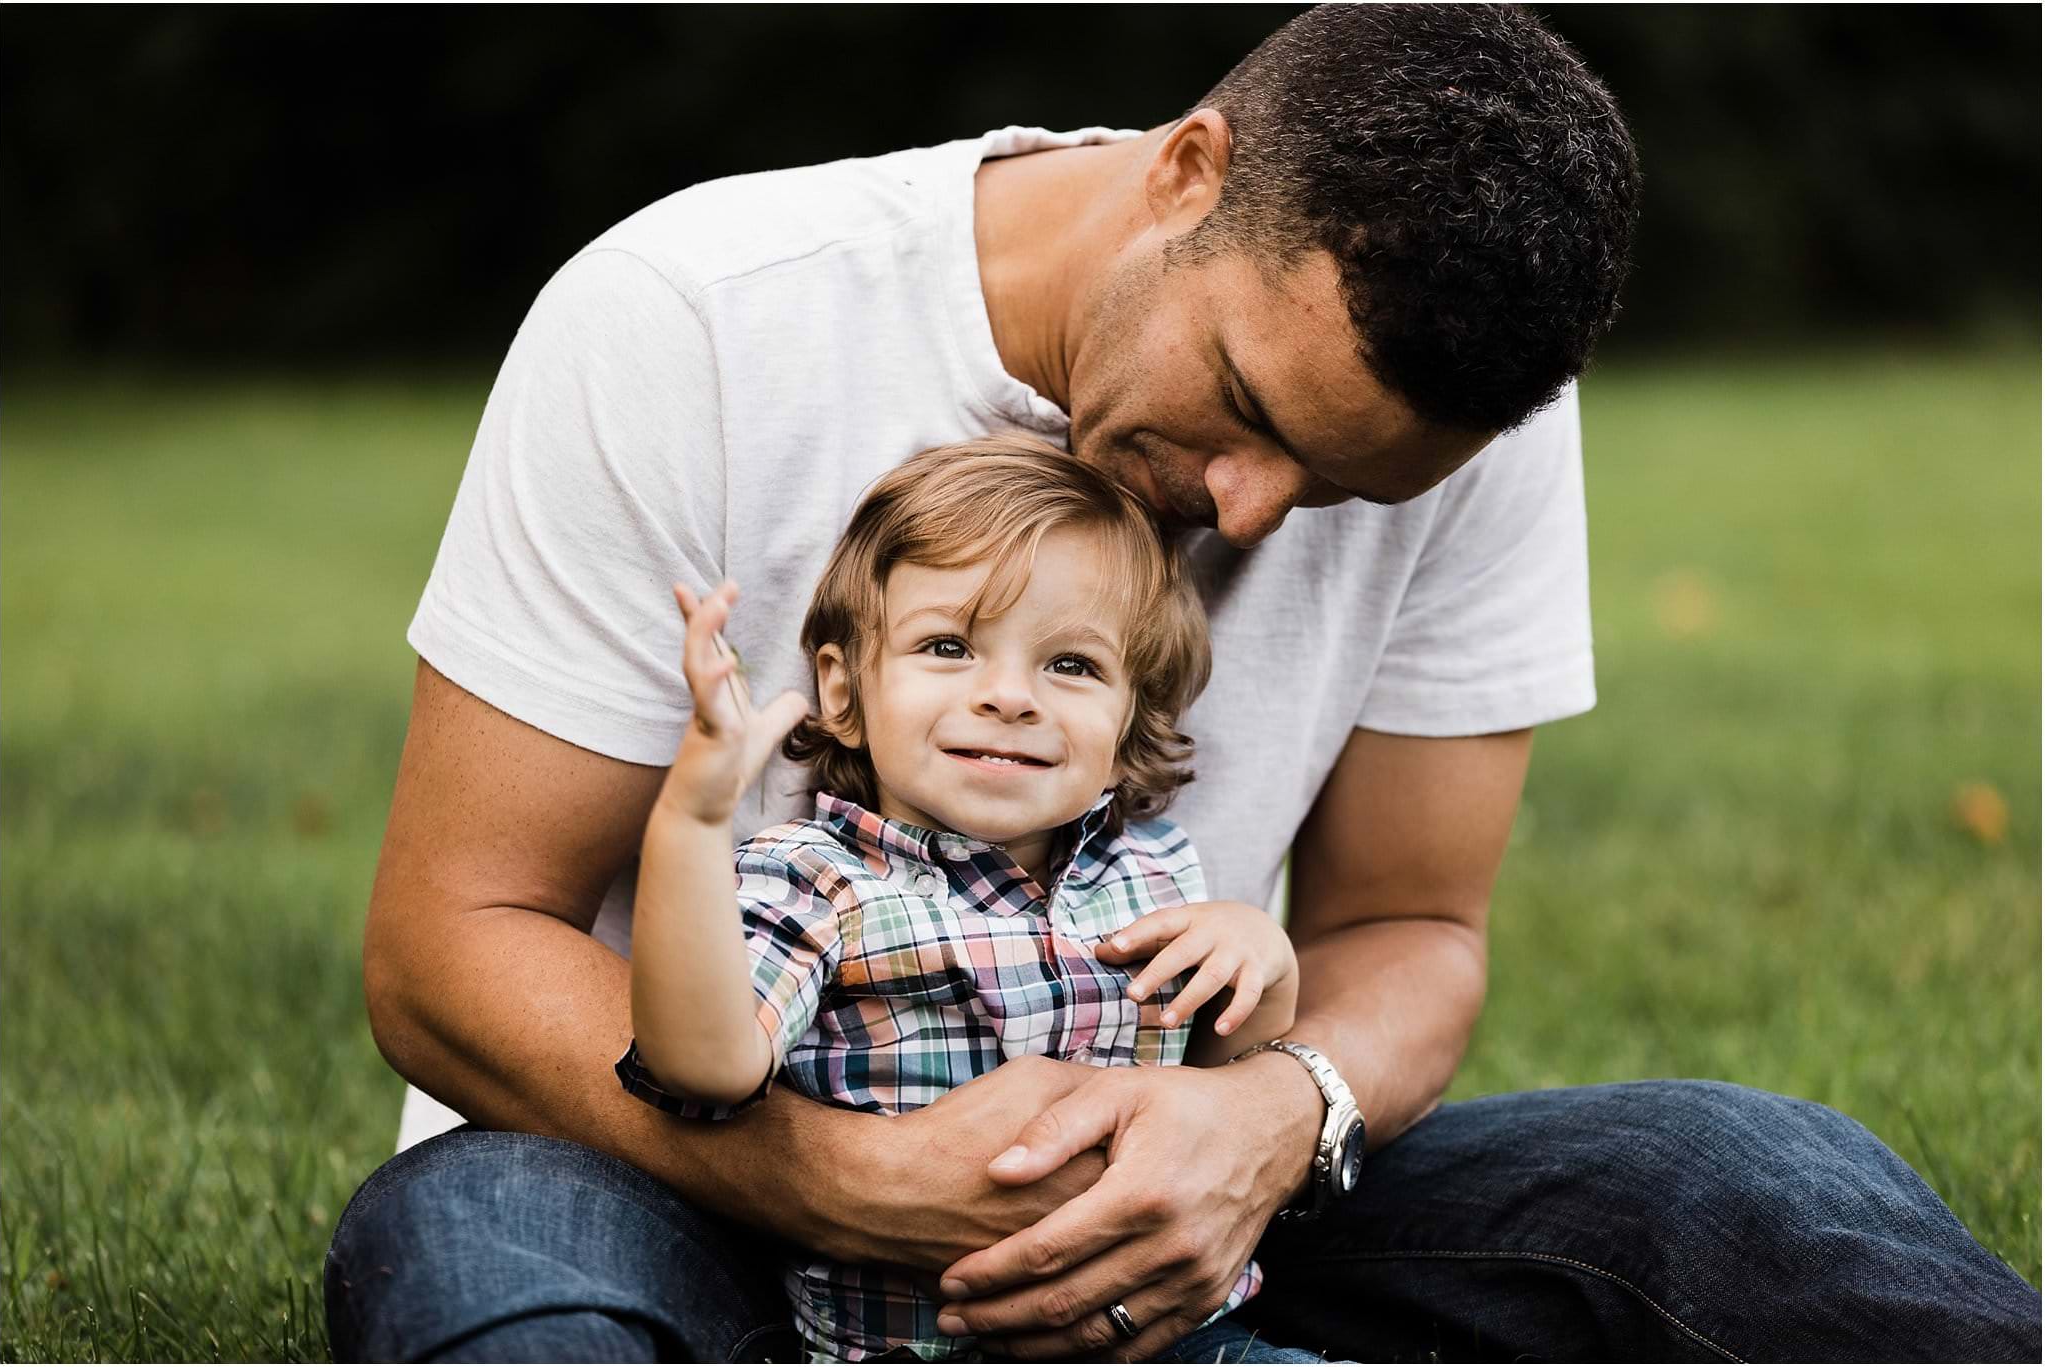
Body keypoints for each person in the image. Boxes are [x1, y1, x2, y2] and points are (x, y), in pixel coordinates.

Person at [328, 6, 2042, 1362]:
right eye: (1246, 404)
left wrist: (1266, 1120)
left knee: (1743, 1182)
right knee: (480, 1256)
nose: (1243, 513)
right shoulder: (692, 316)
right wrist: (846, 1180)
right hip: (681, 1179)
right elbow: (446, 947)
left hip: (1176, 1216)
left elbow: (1410, 934)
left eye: (1341, 486)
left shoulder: (1472, 428)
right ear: (1184, 171)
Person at [622, 437, 1319, 1361]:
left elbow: (1225, 1073)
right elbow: (705, 1066)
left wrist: (1263, 961)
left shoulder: (1152, 870)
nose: (1008, 696)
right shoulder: (821, 878)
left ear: (1131, 717)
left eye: (1071, 665)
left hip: (1173, 1341)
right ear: (843, 687)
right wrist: (689, 830)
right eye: (947, 647)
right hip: (912, 1345)